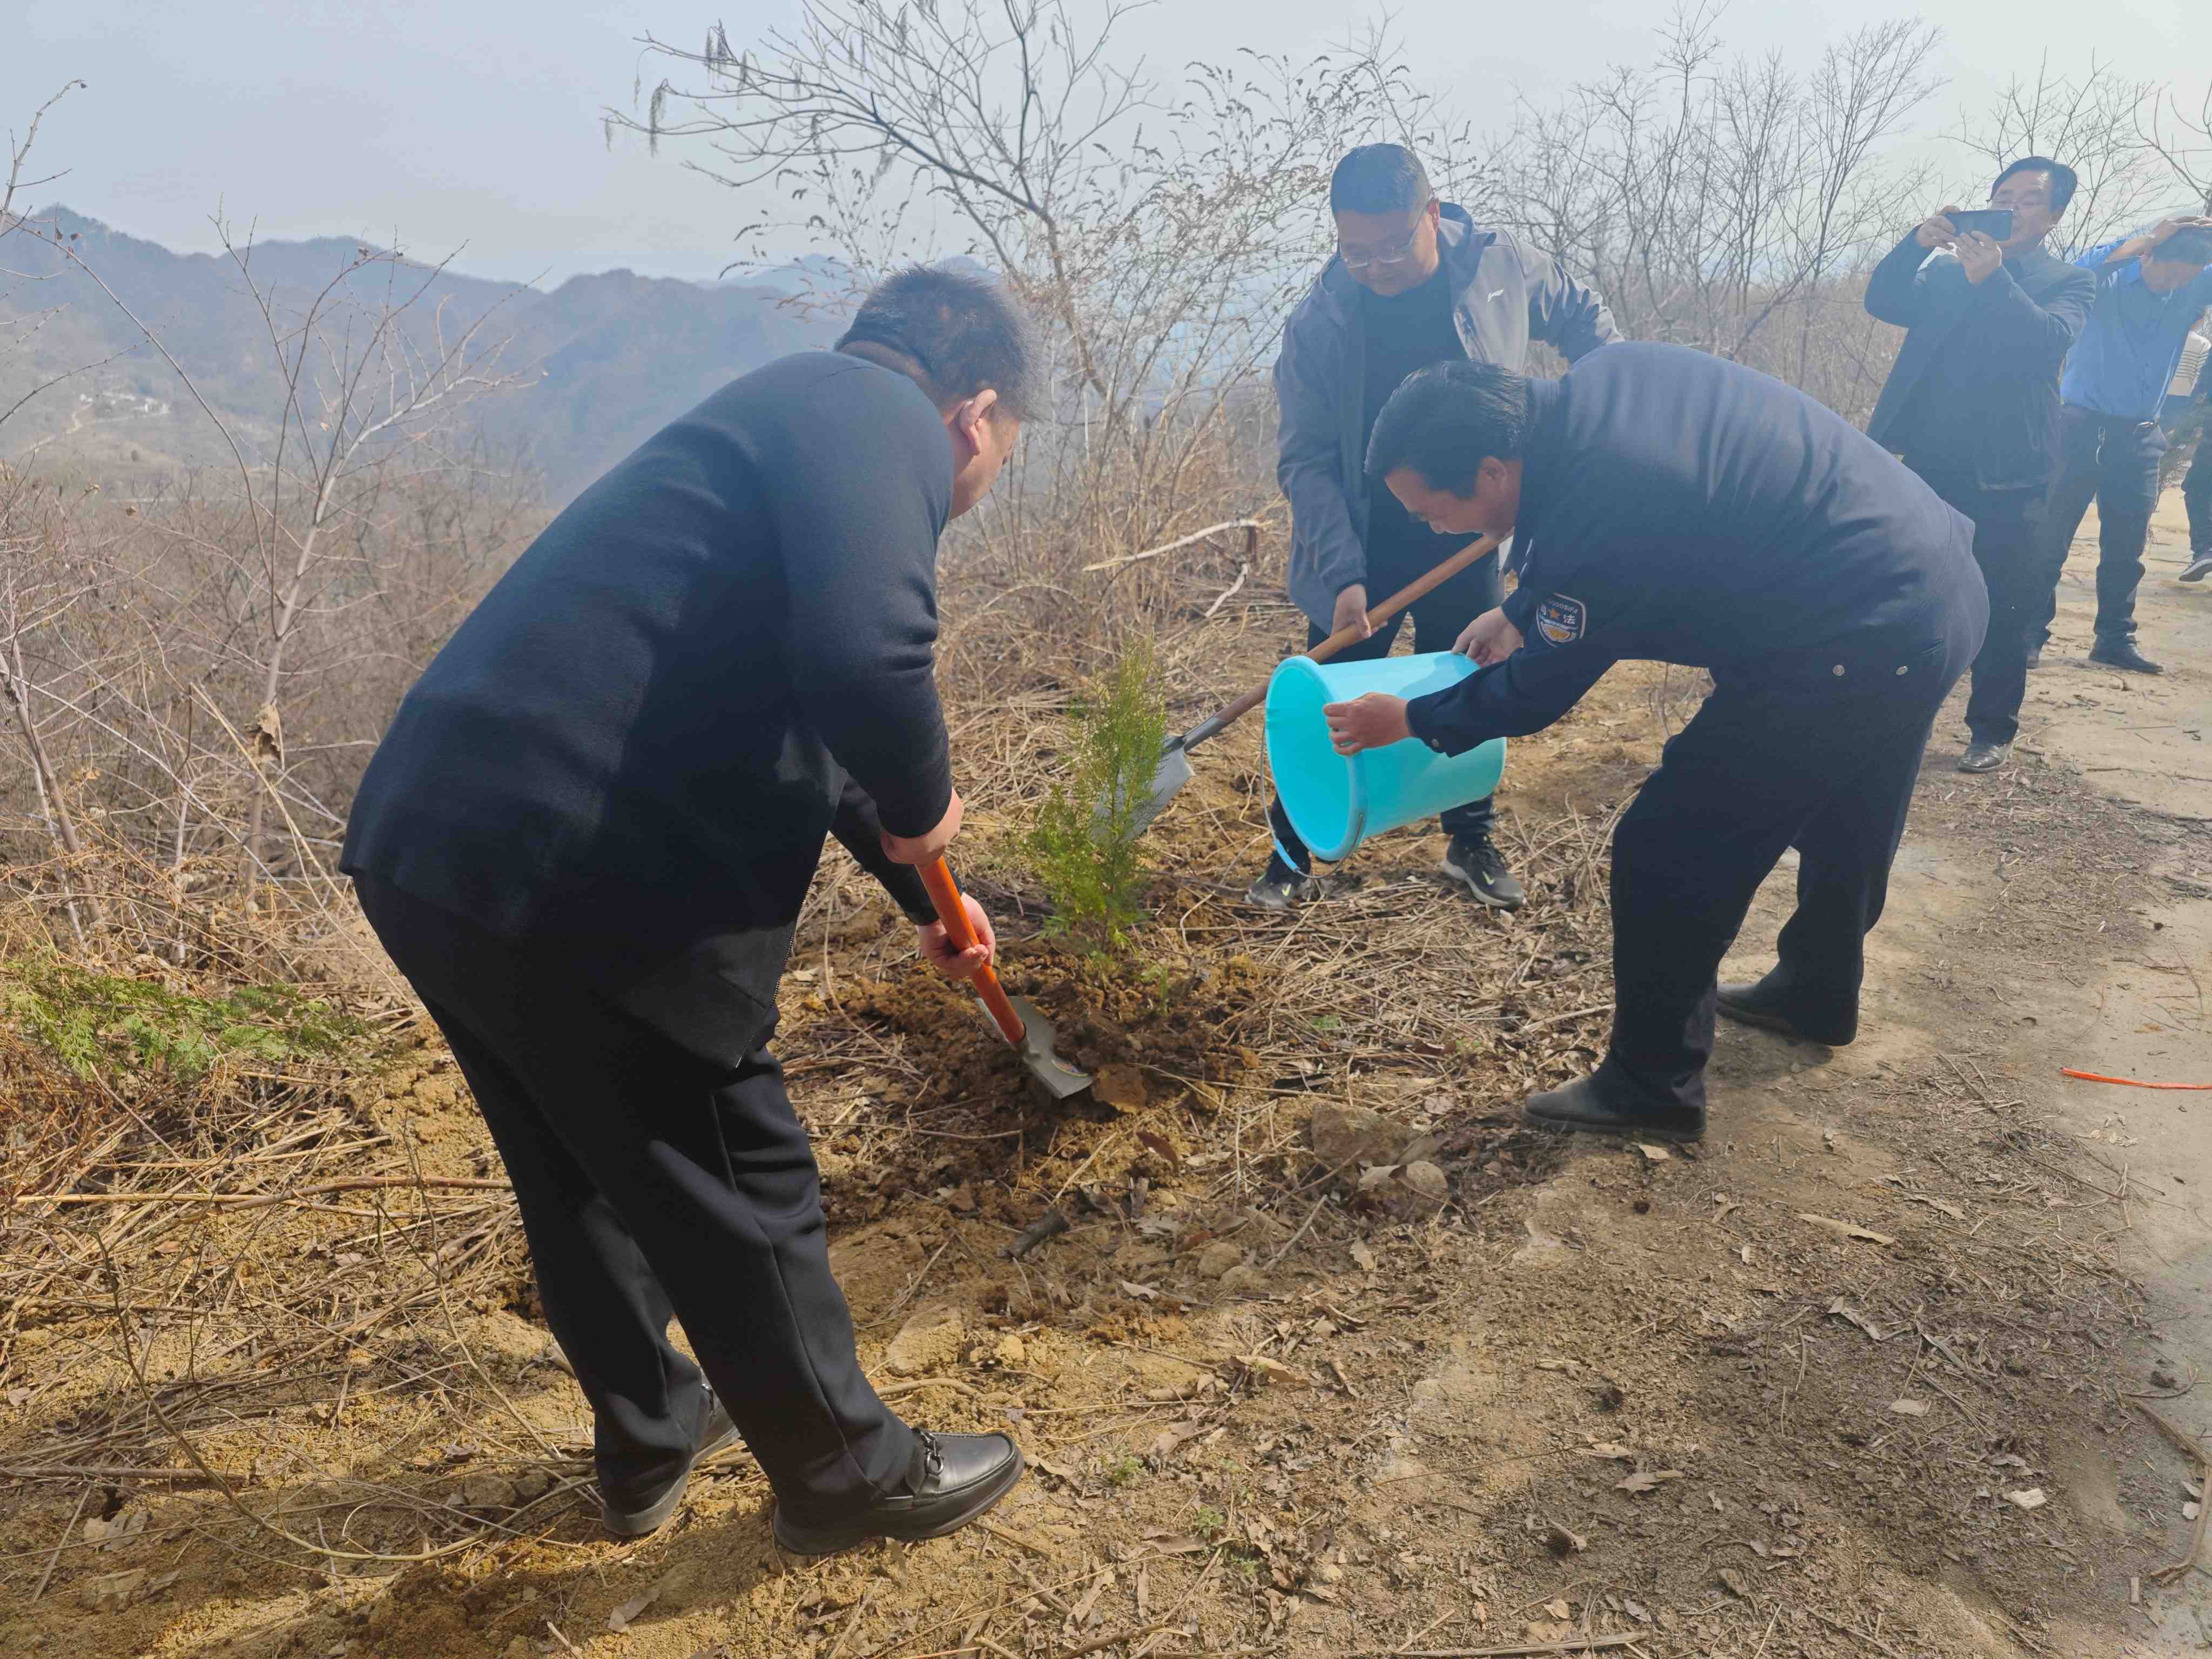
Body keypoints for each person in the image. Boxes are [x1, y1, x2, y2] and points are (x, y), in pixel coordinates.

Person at [341, 267, 1031, 1555]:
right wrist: (927, 800)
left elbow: (814, 714)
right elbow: (868, 661)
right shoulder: (881, 419)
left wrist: (923, 892)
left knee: (574, 1164)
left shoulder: (778, 420)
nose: (985, 478)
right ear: (975, 413)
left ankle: (651, 1433)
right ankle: (847, 1474)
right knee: (733, 1163)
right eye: (1003, 450)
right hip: (577, 863)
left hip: (430, 839)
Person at [1320, 348, 1986, 1145]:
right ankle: (1816, 992)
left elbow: (1533, 694)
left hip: (1857, 635)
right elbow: (1601, 540)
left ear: (1493, 471)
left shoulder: (1602, 512)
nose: (1434, 530)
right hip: (1934, 584)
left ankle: (1651, 1087)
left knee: (1669, 844)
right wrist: (1521, 611)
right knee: (1852, 804)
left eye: (1434, 512)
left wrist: (1412, 718)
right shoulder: (1604, 385)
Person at [1251, 142, 1619, 912]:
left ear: (1431, 213)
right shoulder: (1320, 323)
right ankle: (1291, 850)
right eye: (1356, 251)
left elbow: (1582, 317)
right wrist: (1343, 572)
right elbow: (1305, 460)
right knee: (1329, 697)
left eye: (1392, 246)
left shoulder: (1496, 266)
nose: (1376, 267)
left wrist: (1601, 401)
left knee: (1469, 670)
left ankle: (1470, 837)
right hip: (1363, 540)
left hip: (1473, 527)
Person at [1863, 157, 2094, 775]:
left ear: (2053, 216)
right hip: (1928, 460)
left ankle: (1991, 728)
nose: (2011, 207)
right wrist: (1915, 244)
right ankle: (1893, 716)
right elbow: (1882, 299)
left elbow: (2046, 342)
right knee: (1912, 595)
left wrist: (1993, 279)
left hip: (2011, 473)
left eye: (2028, 199)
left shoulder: (2067, 281)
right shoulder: (1944, 275)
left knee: (2003, 603)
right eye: (2002, 195)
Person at [2027, 218, 2212, 674]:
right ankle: (2028, 635)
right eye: (2169, 272)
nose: (2175, 283)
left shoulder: (2190, 288)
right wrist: (2147, 237)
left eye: (2187, 276)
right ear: (2148, 256)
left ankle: (2114, 639)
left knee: (2126, 549)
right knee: (2049, 539)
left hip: (2141, 436)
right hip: (2079, 430)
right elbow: (2078, 268)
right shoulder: (2106, 284)